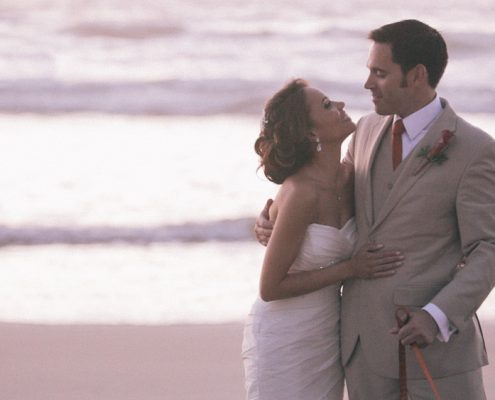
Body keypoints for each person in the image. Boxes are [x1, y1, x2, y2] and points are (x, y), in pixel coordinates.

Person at [255, 20, 495, 399]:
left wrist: (437, 315)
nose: (367, 84)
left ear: (416, 75)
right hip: (360, 348)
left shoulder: (474, 149)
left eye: (380, 73)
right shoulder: (364, 130)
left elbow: (488, 249)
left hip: (436, 353)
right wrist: (275, 218)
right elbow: (330, 196)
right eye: (369, 71)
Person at [242, 78, 404, 400]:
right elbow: (270, 288)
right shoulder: (301, 193)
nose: (341, 105)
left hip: (329, 332)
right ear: (310, 133)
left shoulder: (351, 178)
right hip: (285, 335)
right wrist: (351, 269)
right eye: (327, 105)